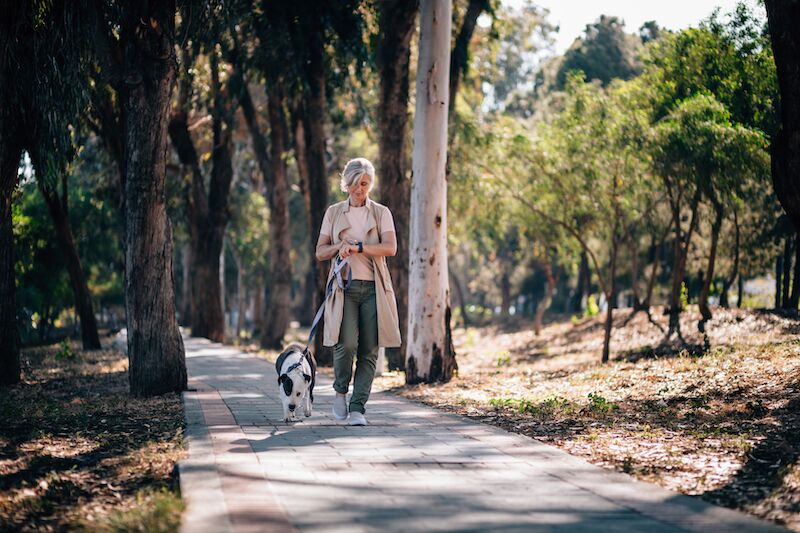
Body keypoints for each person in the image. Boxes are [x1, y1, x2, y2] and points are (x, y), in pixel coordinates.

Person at [315, 158, 401, 426]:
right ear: (346, 184)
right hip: (345, 288)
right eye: (354, 184)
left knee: (369, 350)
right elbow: (320, 252)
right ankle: (340, 391)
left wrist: (360, 247)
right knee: (347, 343)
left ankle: (357, 409)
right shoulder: (333, 213)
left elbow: (390, 248)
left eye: (364, 184)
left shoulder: (381, 213)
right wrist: (340, 245)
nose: (359, 189)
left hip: (375, 288)